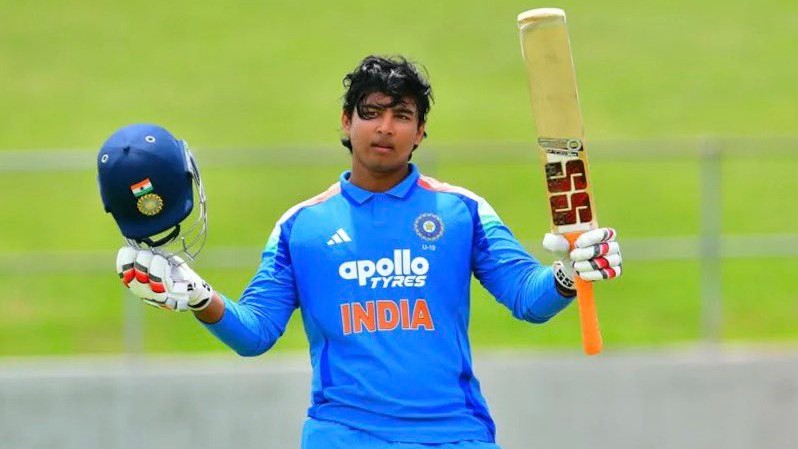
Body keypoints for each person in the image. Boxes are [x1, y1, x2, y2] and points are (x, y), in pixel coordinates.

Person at [115, 55, 623, 449]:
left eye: (402, 115)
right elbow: (255, 334)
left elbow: (527, 300)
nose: (386, 127)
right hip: (344, 434)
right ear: (346, 122)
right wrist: (200, 297)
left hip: (453, 432)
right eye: (372, 112)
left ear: (421, 132)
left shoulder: (461, 211)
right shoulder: (302, 225)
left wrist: (567, 274)